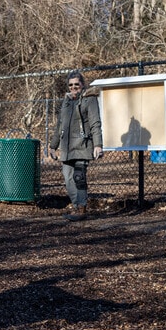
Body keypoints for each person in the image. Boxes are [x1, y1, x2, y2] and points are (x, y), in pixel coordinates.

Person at [49, 70, 103, 221]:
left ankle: (82, 209)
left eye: (76, 84)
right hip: (66, 148)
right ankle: (76, 206)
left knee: (79, 177)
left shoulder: (89, 100)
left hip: (82, 145)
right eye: (71, 85)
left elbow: (95, 123)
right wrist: (53, 146)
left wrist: (98, 144)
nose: (73, 87)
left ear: (82, 85)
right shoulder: (66, 102)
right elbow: (59, 126)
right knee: (68, 178)